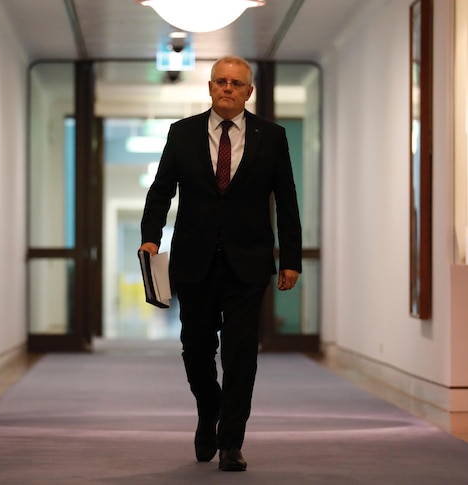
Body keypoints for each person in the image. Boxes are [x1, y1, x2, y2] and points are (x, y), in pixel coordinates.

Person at [139, 55, 302, 472]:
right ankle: (208, 408)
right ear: (210, 88)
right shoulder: (182, 134)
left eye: (236, 83)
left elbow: (286, 201)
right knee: (195, 349)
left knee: (241, 354)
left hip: (248, 263)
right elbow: (161, 191)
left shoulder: (272, 136)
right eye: (220, 82)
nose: (227, 88)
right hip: (195, 262)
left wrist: (292, 259)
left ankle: (231, 442)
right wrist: (150, 238)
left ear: (248, 92)